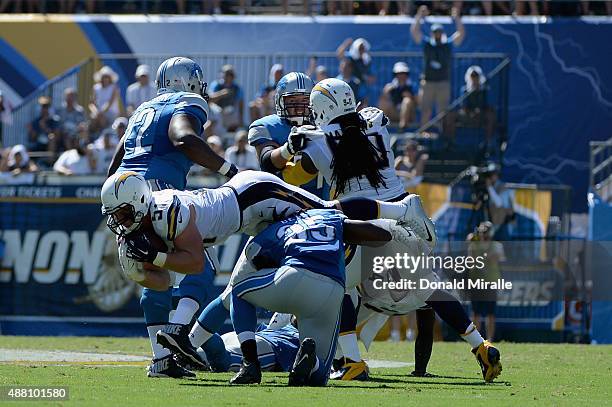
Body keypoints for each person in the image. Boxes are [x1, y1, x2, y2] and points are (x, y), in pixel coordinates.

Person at [289, 77, 435, 380]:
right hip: (401, 216)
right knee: (428, 290)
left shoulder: (319, 138)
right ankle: (473, 346)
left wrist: (293, 146)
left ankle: (348, 359)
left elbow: (294, 176)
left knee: (339, 284)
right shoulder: (374, 121)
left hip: (362, 221)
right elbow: (355, 126)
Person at [106, 56, 237, 379]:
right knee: (201, 265)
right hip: (158, 191)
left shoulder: (142, 110)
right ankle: (179, 334)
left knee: (156, 269)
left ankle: (162, 359)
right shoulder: (186, 102)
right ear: (188, 81)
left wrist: (119, 202)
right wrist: (229, 170)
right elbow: (184, 138)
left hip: (124, 196)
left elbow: (117, 160)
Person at [227, 209, 411, 386]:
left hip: (293, 276)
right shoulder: (332, 217)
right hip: (331, 290)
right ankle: (313, 362)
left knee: (237, 289)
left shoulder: (283, 223)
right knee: (322, 372)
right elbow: (381, 236)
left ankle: (250, 363)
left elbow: (253, 255)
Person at [248, 72, 328, 199]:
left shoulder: (325, 124)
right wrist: (289, 148)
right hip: (282, 201)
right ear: (280, 101)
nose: (299, 107)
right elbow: (267, 164)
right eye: (292, 100)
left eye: (304, 100)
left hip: (324, 200)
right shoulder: (267, 126)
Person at [411, 5, 465, 127]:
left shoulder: (448, 44)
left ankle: (443, 134)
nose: (437, 34)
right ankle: (423, 132)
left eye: (439, 32)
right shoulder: (427, 44)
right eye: (435, 32)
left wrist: (457, 17)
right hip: (428, 82)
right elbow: (415, 32)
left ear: (442, 33)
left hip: (443, 83)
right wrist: (419, 15)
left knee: (443, 112)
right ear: (432, 33)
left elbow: (461, 33)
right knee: (426, 110)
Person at [468, 221, 505, 341]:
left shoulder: (496, 245)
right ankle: (476, 340)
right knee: (476, 313)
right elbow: (471, 260)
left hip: (490, 282)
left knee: (490, 313)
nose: (483, 234)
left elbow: (492, 259)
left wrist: (481, 246)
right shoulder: (474, 244)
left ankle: (490, 339)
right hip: (476, 281)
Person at [445, 65, 497, 146]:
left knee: (491, 115)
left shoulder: (485, 90)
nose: (474, 78)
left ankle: (488, 143)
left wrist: (480, 110)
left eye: (476, 76)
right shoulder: (465, 90)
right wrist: (469, 112)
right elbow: (463, 106)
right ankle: (450, 142)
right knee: (450, 115)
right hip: (467, 116)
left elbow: (489, 105)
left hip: (481, 116)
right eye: (472, 76)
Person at [379, 62, 417, 129]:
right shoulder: (390, 87)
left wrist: (411, 97)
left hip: (409, 115)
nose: (401, 76)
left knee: (407, 101)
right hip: (394, 113)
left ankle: (402, 127)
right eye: (399, 73)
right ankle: (382, 126)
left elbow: (418, 103)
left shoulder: (413, 86)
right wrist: (386, 93)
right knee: (383, 101)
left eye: (403, 73)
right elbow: (383, 100)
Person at [209, 65, 244, 131]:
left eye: (230, 74)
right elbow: (210, 99)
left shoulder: (237, 88)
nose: (228, 76)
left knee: (233, 112)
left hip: (229, 110)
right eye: (226, 74)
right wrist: (221, 94)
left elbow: (240, 103)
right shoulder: (216, 85)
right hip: (217, 110)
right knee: (216, 111)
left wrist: (241, 119)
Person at [90, 66, 121, 131]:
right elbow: (92, 103)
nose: (105, 79)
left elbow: (110, 103)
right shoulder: (96, 87)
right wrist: (96, 112)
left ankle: (103, 135)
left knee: (102, 119)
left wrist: (100, 113)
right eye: (104, 77)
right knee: (93, 119)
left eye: (107, 77)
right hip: (98, 113)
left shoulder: (114, 88)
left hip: (111, 113)